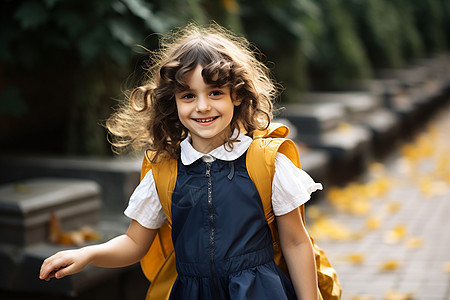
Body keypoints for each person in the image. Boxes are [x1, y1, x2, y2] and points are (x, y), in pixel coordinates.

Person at [39, 23, 322, 300]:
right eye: (188, 95)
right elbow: (135, 243)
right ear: (172, 102)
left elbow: (296, 242)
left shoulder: (268, 164)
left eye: (215, 93)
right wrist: (88, 253)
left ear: (236, 95)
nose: (202, 106)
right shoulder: (164, 171)